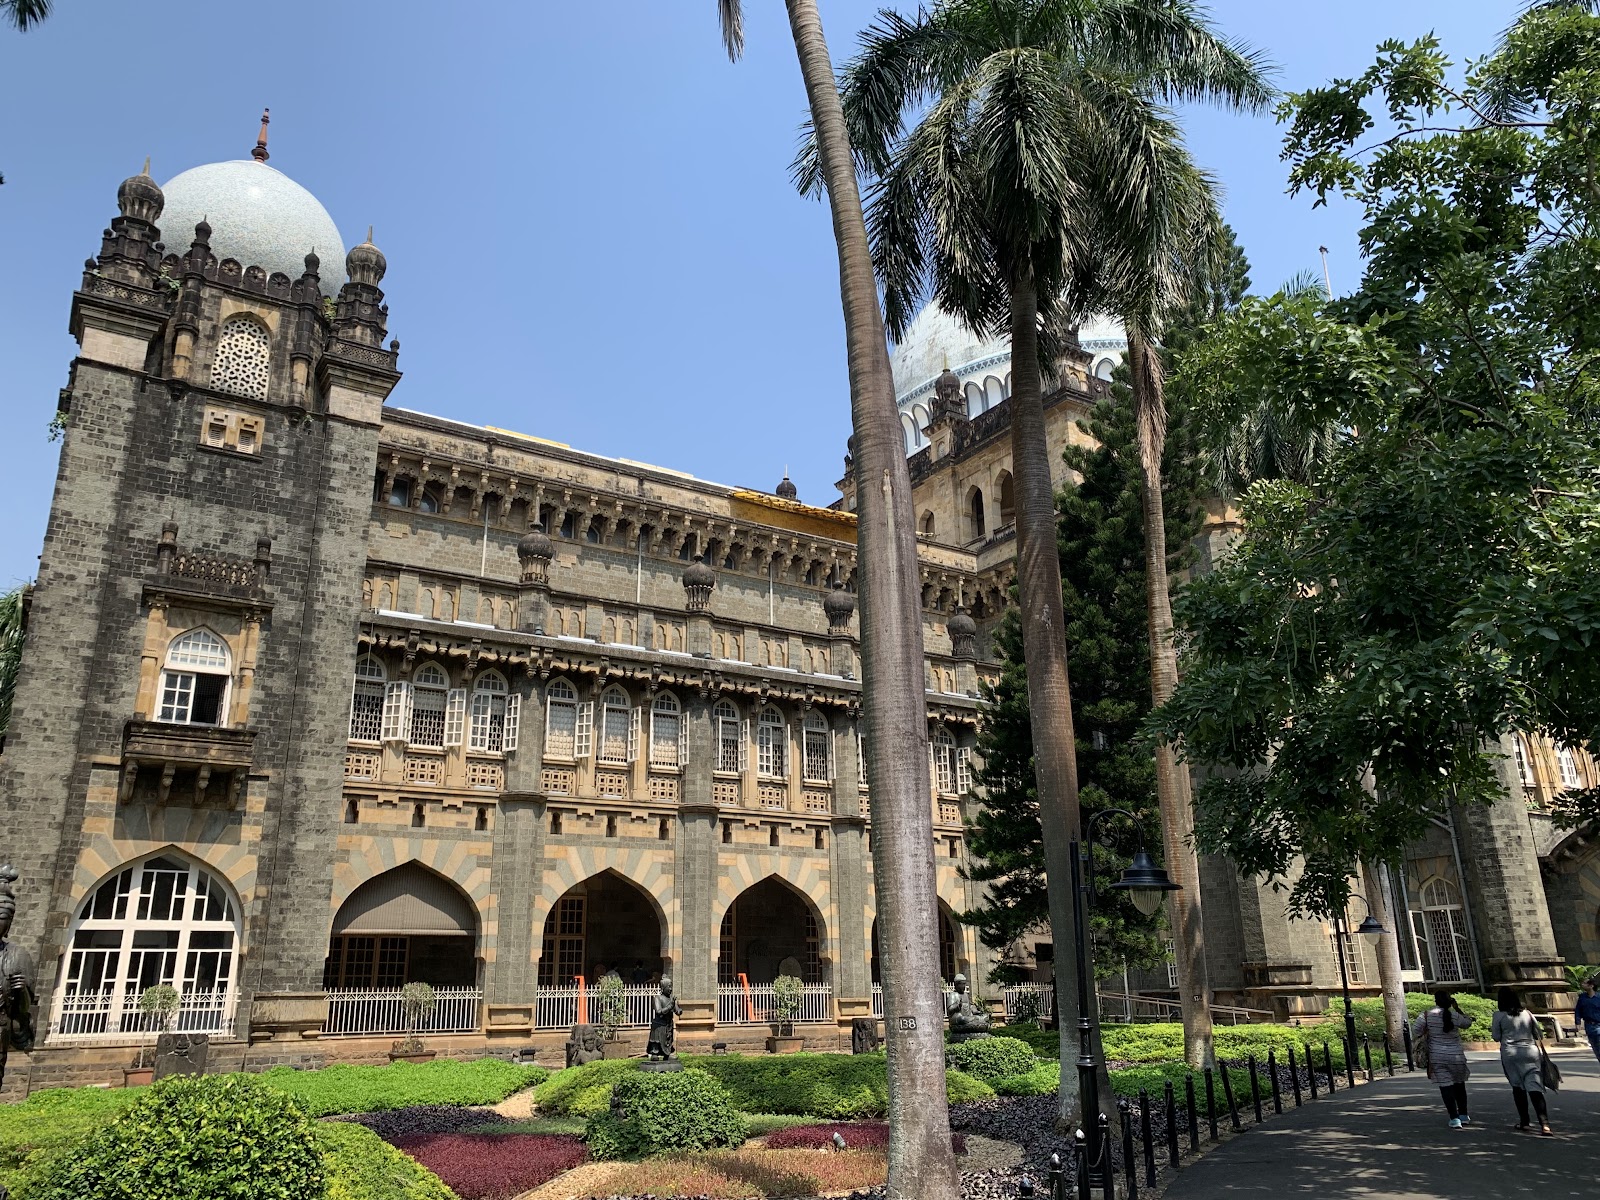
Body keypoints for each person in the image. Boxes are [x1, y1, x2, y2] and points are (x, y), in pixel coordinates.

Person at [1491, 986, 1552, 1136]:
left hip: (1510, 1053)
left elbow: (1496, 1037)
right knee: (1535, 1087)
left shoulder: (1498, 1015)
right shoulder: (1527, 1013)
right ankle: (1545, 1124)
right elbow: (1538, 1033)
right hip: (1530, 1051)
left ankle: (1525, 1122)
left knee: (1518, 1087)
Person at [1412, 987, 1474, 1129]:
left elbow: (1416, 1030)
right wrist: (1457, 1009)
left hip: (1437, 1056)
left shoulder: (1427, 1015)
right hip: (1456, 1056)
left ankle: (1454, 1118)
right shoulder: (1454, 1015)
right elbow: (1467, 1023)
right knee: (1459, 1085)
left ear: (1435, 1001)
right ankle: (1463, 1115)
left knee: (1446, 1087)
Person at [1574, 975, 1600, 1065]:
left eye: (1585, 983)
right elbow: (1578, 1010)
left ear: (1591, 986)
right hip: (1588, 1025)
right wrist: (1577, 1022)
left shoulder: (1599, 998)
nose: (1582, 984)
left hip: (1598, 1025)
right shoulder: (1582, 998)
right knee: (1595, 1048)